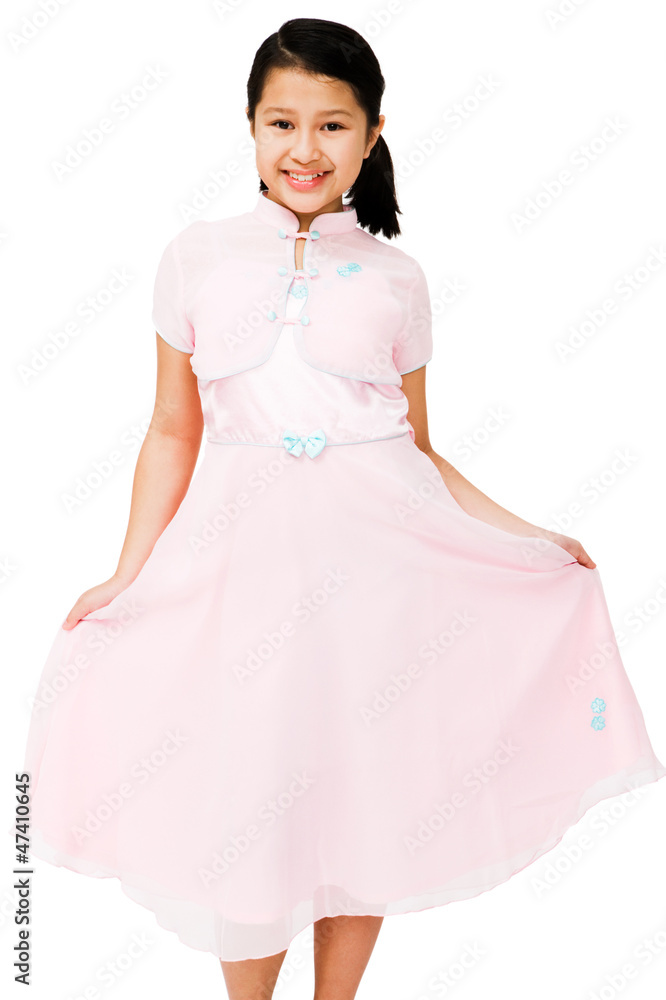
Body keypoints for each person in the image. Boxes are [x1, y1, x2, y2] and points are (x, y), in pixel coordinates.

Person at [19, 17, 666, 1000]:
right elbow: (172, 431)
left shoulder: (399, 277)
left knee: (363, 791)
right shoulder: (196, 257)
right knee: (247, 794)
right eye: (282, 122)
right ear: (249, 126)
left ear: (372, 135)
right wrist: (128, 574)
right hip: (242, 574)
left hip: (377, 577)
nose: (305, 148)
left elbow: (417, 448)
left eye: (332, 125)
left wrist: (527, 536)